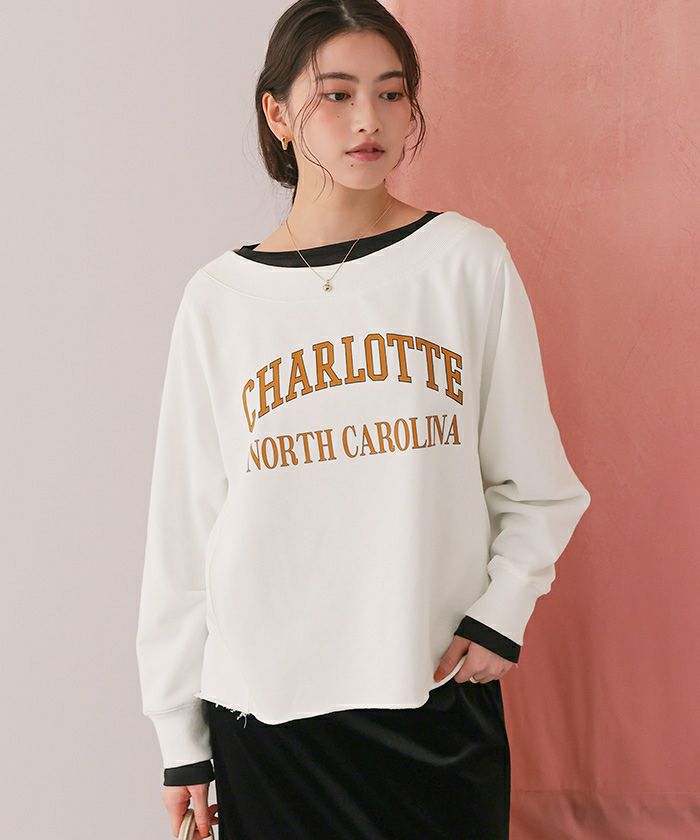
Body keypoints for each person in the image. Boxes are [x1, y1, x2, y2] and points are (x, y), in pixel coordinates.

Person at [135, 2, 592, 838]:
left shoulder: (464, 264)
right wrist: (179, 738)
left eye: (391, 93)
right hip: (267, 722)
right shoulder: (221, 301)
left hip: (431, 698)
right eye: (336, 94)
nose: (368, 120)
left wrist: (503, 610)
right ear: (278, 115)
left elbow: (538, 485)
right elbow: (184, 534)